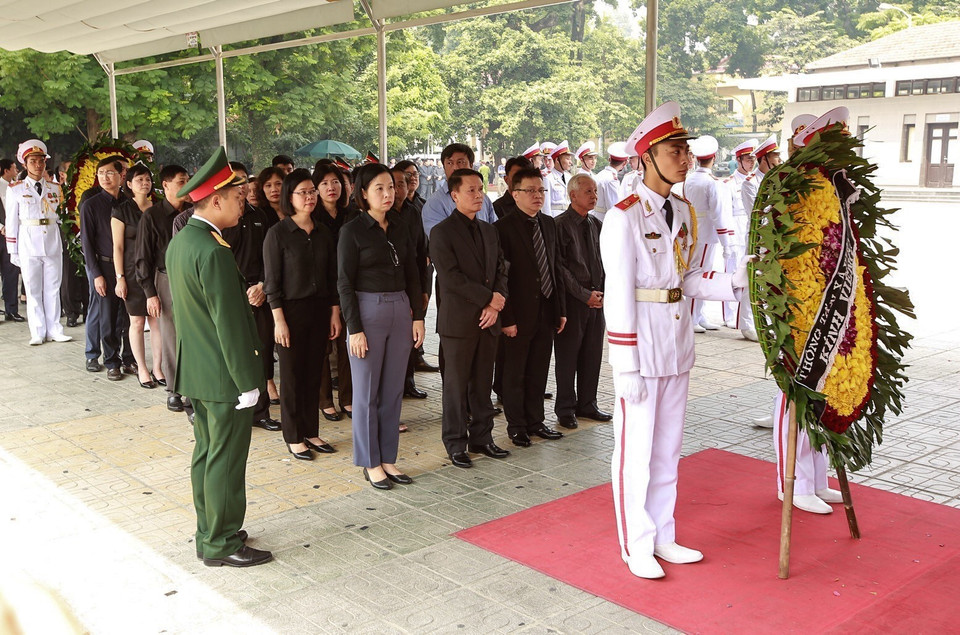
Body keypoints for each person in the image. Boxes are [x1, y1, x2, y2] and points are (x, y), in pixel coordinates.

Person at [600, 101, 753, 579]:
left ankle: (663, 533)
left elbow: (686, 280)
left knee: (667, 449)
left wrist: (735, 281)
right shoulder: (622, 217)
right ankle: (636, 544)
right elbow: (618, 294)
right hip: (641, 349)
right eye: (674, 149)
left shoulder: (684, 211)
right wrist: (624, 364)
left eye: (686, 149)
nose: (684, 157)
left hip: (677, 344)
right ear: (647, 156)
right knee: (635, 451)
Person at [166, 147, 271, 568]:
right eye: (236, 196)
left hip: (199, 370)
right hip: (224, 375)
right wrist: (249, 380)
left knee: (208, 454)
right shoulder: (212, 250)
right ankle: (221, 542)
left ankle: (210, 529)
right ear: (215, 200)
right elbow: (229, 322)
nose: (242, 201)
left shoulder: (185, 242)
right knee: (225, 460)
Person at [338, 164, 424, 489]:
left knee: (392, 391)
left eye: (391, 187)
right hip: (367, 310)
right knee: (366, 393)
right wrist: (354, 328)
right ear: (363, 193)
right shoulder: (352, 231)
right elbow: (344, 283)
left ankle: (389, 457)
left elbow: (414, 272)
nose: (388, 194)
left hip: (401, 307)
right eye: (379, 189)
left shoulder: (401, 225)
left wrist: (417, 316)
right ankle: (370, 461)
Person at [430, 169, 509, 467]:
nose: (478, 196)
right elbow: (451, 278)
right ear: (455, 195)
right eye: (471, 191)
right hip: (459, 323)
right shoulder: (442, 232)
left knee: (482, 383)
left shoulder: (489, 230)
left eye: (480, 190)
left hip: (489, 319)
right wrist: (487, 298)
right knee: (455, 385)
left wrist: (495, 304)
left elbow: (502, 268)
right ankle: (455, 442)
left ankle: (482, 438)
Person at [264, 169, 340, 460]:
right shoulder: (278, 233)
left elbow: (332, 277)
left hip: (320, 310)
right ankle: (293, 435)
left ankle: (311, 431)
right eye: (303, 192)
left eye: (312, 192)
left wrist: (334, 313)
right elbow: (273, 283)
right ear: (290, 197)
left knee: (313, 374)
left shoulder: (322, 232)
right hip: (291, 313)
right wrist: (278, 320)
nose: (309, 197)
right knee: (293, 377)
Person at [496, 167, 567, 448]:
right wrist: (507, 317)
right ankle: (517, 425)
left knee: (539, 369)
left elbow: (554, 269)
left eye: (541, 190)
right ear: (515, 194)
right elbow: (501, 278)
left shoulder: (548, 224)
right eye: (530, 191)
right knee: (515, 372)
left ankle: (536, 421)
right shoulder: (502, 228)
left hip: (546, 310)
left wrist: (560, 309)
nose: (538, 196)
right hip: (518, 314)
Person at [554, 173, 610, 429]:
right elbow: (560, 269)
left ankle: (588, 403)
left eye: (595, 191)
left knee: (592, 353)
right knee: (568, 356)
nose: (594, 196)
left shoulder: (596, 224)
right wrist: (583, 294)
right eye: (588, 191)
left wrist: (602, 294)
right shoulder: (559, 225)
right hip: (573, 302)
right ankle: (565, 407)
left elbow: (606, 262)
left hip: (597, 298)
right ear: (572, 195)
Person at [136, 164, 192, 412]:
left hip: (192, 280)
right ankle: (174, 390)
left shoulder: (194, 213)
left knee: (193, 334)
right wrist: (150, 293)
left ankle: (194, 389)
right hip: (166, 279)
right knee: (170, 337)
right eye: (181, 181)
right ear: (166, 185)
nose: (186, 185)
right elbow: (143, 258)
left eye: (188, 181)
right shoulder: (152, 216)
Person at [4, 140, 70, 344]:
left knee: (52, 287)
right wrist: (12, 250)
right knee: (33, 289)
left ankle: (55, 329)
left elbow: (62, 216)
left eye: (41, 161)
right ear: (25, 164)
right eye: (33, 161)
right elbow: (12, 221)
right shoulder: (15, 189)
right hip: (28, 242)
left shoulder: (55, 188)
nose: (38, 165)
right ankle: (38, 331)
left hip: (51, 239)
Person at [81, 156, 135, 375]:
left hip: (129, 268)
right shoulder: (91, 205)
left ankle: (129, 358)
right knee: (108, 318)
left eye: (109, 173)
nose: (104, 177)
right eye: (100, 173)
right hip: (104, 266)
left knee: (130, 316)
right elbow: (87, 242)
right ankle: (111, 361)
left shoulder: (129, 203)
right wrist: (96, 274)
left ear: (122, 175)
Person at [111, 163, 163, 388]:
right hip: (132, 273)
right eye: (139, 180)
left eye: (147, 179)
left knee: (158, 321)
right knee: (137, 321)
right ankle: (142, 368)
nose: (145, 183)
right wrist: (119, 277)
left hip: (157, 272)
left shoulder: (159, 207)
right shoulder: (121, 210)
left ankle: (159, 367)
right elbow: (118, 247)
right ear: (129, 184)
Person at [312, 162, 353, 422]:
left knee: (348, 346)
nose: (331, 187)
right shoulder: (312, 219)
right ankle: (325, 399)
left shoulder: (352, 216)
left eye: (336, 182)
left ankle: (348, 399)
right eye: (325, 183)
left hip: (349, 289)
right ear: (315, 189)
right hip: (320, 290)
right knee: (323, 347)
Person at [683, 135, 734, 334]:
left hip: (693, 231)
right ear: (713, 158)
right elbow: (718, 214)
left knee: (697, 272)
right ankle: (693, 317)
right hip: (705, 233)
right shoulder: (711, 182)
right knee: (701, 275)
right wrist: (726, 242)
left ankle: (699, 314)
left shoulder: (690, 179)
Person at [389, 164, 431, 405]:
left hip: (412, 285)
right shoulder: (380, 216)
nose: (397, 190)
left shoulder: (414, 212)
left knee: (410, 335)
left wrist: (423, 290)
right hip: (389, 290)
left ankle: (408, 382)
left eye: (402, 184)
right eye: (392, 185)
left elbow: (420, 253)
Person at [395, 159, 438, 374]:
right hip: (397, 279)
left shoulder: (421, 206)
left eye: (415, 174)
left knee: (418, 315)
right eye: (407, 175)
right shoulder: (386, 214)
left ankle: (416, 359)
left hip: (421, 272)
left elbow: (424, 246)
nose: (413, 178)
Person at [721, 139, 759, 339]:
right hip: (734, 232)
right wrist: (727, 237)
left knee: (745, 275)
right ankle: (729, 314)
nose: (751, 162)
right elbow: (725, 212)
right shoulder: (729, 183)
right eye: (747, 159)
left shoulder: (754, 180)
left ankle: (741, 316)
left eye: (753, 158)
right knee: (732, 274)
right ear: (739, 160)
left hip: (747, 230)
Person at [421, 144, 496, 238]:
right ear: (444, 167)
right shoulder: (434, 203)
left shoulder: (484, 199)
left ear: (471, 165)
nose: (455, 167)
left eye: (461, 162)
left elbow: (494, 231)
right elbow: (440, 240)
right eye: (450, 163)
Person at [0, 158, 24, 322]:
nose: (16, 171)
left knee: (11, 272)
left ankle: (12, 310)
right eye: (14, 168)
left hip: (11, 234)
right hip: (2, 230)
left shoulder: (16, 187)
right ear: (5, 170)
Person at [594, 142, 628, 222]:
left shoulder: (600, 174)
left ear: (609, 159)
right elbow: (613, 207)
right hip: (604, 220)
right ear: (625, 163)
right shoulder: (612, 180)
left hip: (595, 217)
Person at [546, 141, 572, 217]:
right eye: (567, 159)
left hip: (568, 217)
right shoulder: (548, 179)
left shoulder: (569, 177)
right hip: (555, 217)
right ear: (557, 160)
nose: (570, 162)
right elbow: (546, 205)